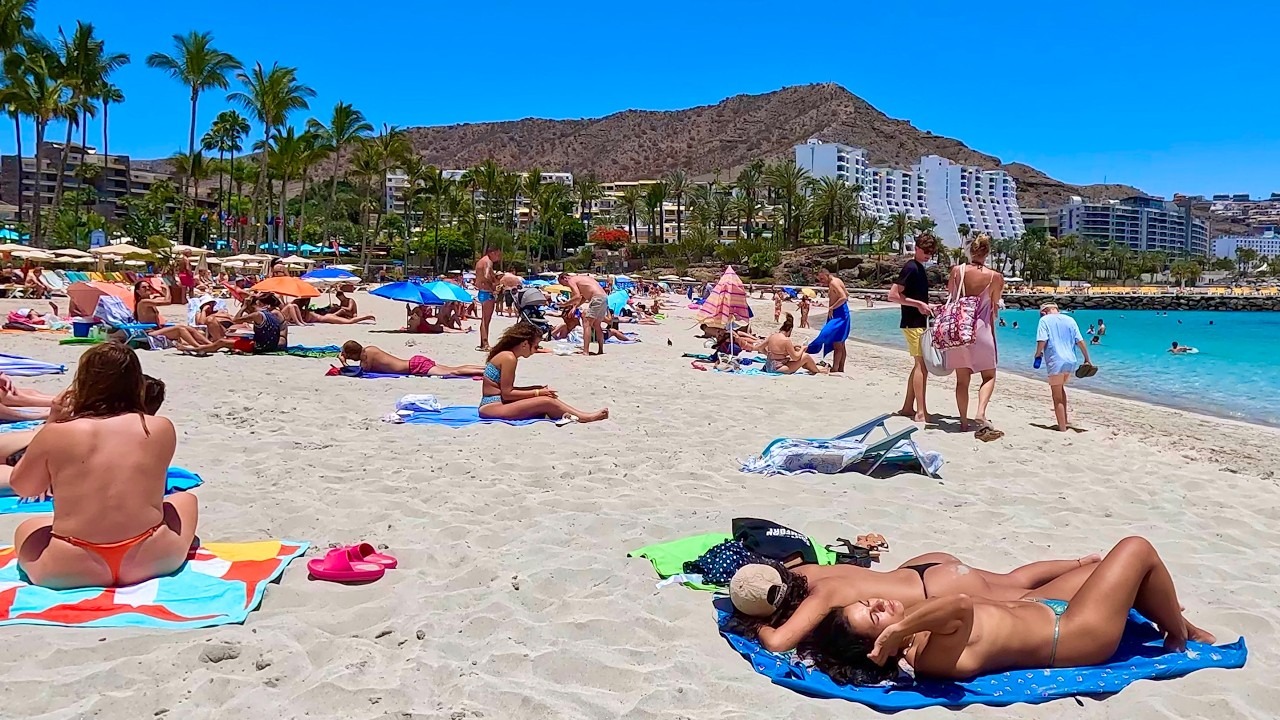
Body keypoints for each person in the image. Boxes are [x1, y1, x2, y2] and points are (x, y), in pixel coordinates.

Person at [801, 537, 1215, 683]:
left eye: (866, 602)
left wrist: (897, 624)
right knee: (1136, 549)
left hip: (1038, 607)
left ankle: (1179, 622)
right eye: (875, 616)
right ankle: (1180, 634)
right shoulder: (928, 659)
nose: (878, 603)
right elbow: (960, 608)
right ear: (881, 648)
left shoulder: (915, 629)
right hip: (1072, 633)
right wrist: (901, 628)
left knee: (1106, 568)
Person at [10, 344, 198, 589]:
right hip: (151, 558)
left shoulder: (57, 433)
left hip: (70, 566)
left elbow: (24, 488)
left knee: (28, 527)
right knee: (185, 501)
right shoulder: (159, 427)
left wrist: (52, 422)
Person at [730, 550, 1107, 656]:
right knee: (1013, 579)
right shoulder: (809, 571)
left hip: (933, 594)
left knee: (1027, 598)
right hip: (921, 569)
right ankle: (1081, 562)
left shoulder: (821, 598)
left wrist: (755, 626)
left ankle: (1096, 576)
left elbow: (780, 642)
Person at [478, 323, 608, 423]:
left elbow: (505, 390)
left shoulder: (506, 355)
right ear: (524, 344)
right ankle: (585, 417)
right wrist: (537, 393)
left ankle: (574, 414)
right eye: (535, 346)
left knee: (542, 393)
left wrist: (537, 389)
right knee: (546, 401)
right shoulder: (509, 358)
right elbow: (507, 394)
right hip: (492, 407)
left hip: (494, 403)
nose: (535, 350)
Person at [944, 235, 1005, 439]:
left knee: (962, 380)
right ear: (987, 253)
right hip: (982, 330)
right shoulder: (995, 277)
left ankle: (962, 422)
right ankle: (980, 412)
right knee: (989, 375)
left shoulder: (957, 271)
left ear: (971, 251)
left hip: (960, 330)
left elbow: (951, 296)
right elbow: (995, 305)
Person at [887, 233, 938, 423]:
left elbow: (911, 296)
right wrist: (918, 305)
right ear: (917, 248)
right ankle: (921, 412)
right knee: (921, 366)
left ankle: (908, 407)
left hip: (917, 321)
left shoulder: (918, 268)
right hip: (912, 322)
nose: (928, 256)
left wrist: (926, 305)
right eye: (925, 252)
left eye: (931, 253)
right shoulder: (910, 267)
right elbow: (892, 295)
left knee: (919, 365)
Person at [1035, 303, 1094, 432]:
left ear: (1044, 312)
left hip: (1056, 361)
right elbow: (1080, 341)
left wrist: (1038, 353)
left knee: (1056, 396)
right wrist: (1087, 359)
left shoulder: (1044, 320)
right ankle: (1065, 421)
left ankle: (1062, 428)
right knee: (1061, 389)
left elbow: (1042, 340)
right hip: (1070, 361)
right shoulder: (1070, 320)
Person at [175, 293, 288, 354]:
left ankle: (193, 349)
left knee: (221, 342)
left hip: (260, 346)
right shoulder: (272, 314)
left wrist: (243, 308)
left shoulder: (257, 315)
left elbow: (236, 320)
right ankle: (201, 347)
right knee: (234, 338)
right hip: (270, 345)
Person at [339, 341, 485, 378]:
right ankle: (484, 369)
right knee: (453, 368)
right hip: (415, 362)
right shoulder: (370, 349)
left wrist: (343, 362)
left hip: (415, 367)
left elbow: (358, 373)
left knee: (453, 372)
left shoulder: (366, 358)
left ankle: (484, 372)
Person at [132, 282, 211, 349]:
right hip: (149, 332)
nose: (147, 288)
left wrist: (161, 291)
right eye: (144, 287)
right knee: (180, 328)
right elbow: (167, 301)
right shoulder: (143, 302)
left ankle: (210, 344)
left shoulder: (150, 301)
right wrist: (167, 289)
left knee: (188, 328)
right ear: (138, 291)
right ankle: (198, 347)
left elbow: (164, 299)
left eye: (148, 287)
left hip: (157, 329)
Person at [806, 266, 851, 373]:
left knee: (835, 342)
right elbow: (847, 294)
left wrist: (832, 307)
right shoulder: (837, 281)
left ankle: (835, 368)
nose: (821, 282)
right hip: (840, 313)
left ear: (827, 275)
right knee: (841, 343)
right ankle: (840, 368)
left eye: (822, 279)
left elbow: (844, 297)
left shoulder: (834, 283)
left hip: (839, 314)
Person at [559, 272, 609, 356]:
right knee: (597, 325)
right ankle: (600, 350)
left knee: (587, 323)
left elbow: (577, 296)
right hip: (604, 297)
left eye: (563, 284)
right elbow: (584, 296)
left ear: (565, 278)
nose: (565, 286)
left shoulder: (571, 280)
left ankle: (585, 351)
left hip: (596, 298)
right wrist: (575, 307)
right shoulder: (582, 278)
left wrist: (565, 304)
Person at [762, 314, 827, 374]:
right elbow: (795, 357)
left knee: (802, 358)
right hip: (778, 368)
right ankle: (818, 371)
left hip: (768, 366)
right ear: (790, 329)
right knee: (805, 356)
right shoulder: (786, 340)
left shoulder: (772, 336)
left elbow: (760, 348)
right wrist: (802, 348)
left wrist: (769, 355)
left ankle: (815, 369)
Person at [474, 247, 501, 351]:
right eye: (497, 255)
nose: (498, 258)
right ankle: (485, 344)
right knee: (486, 320)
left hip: (482, 292)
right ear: (492, 252)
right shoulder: (488, 262)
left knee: (484, 320)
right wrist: (493, 285)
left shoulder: (481, 261)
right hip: (487, 292)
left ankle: (483, 343)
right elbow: (486, 276)